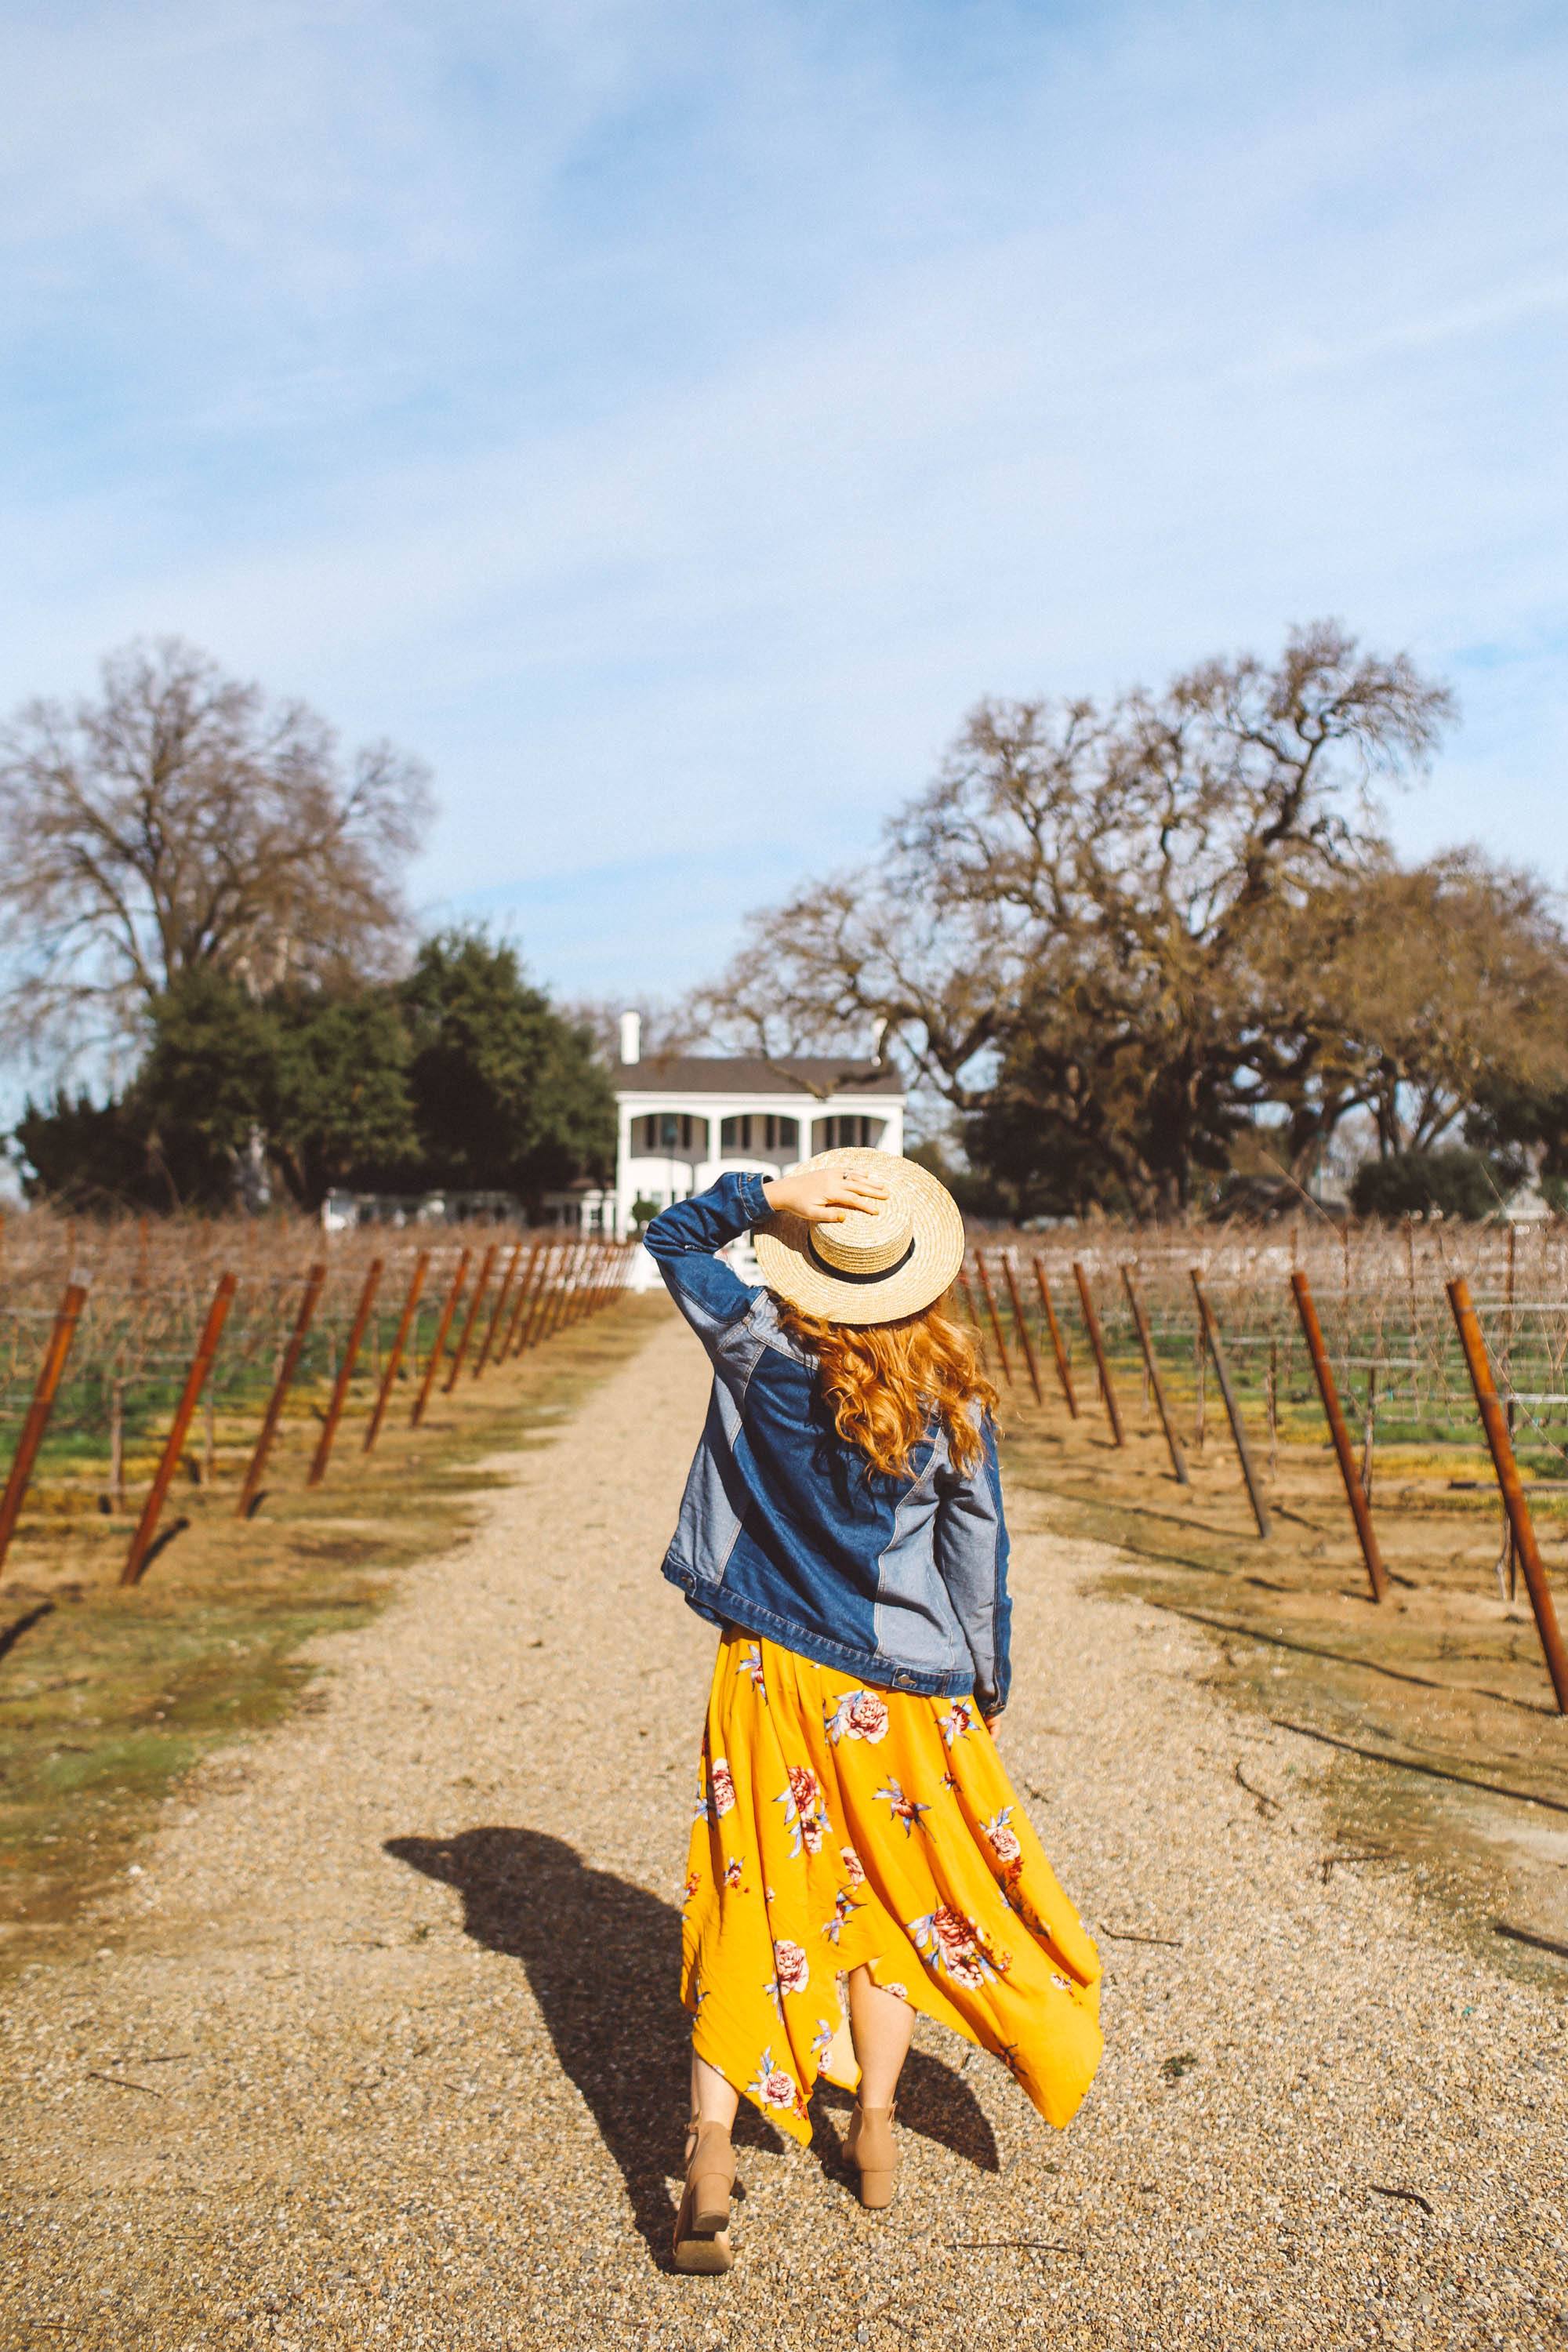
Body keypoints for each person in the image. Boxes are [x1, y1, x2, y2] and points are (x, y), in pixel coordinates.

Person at [644, 1149, 1103, 2274]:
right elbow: (976, 1558)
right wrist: (982, 1687)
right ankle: (878, 2133)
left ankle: (709, 2153)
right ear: (923, 1278)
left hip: (767, 1676)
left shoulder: (754, 1346)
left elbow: (672, 1241)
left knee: (748, 1890)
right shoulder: (949, 1398)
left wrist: (767, 1197)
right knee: (889, 1906)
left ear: (813, 1267)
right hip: (902, 1690)